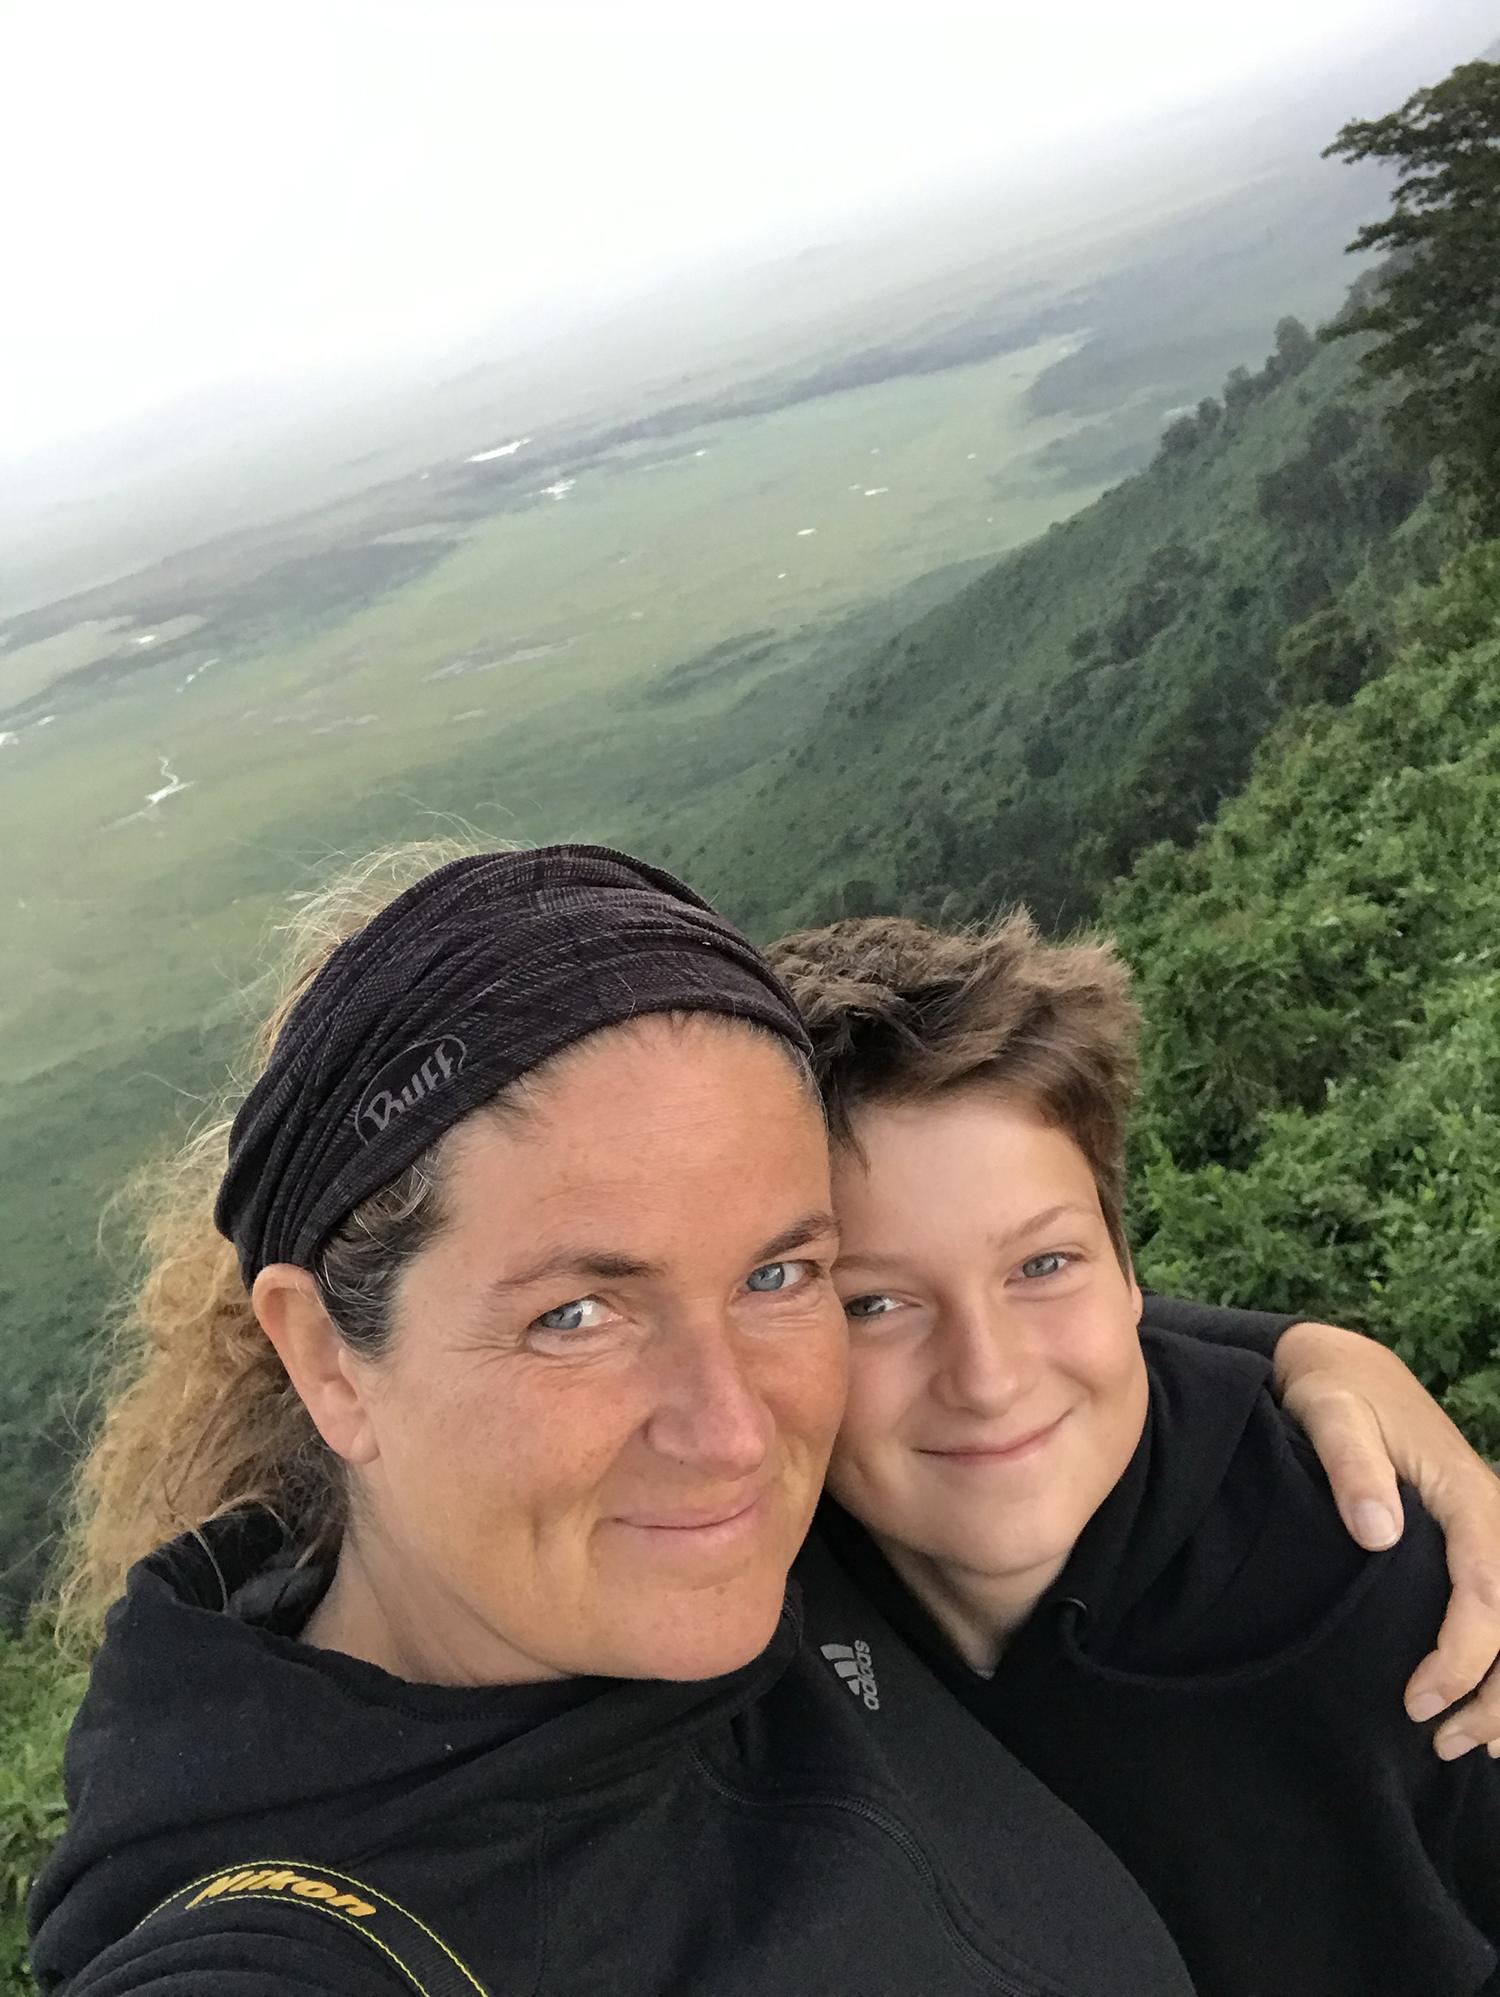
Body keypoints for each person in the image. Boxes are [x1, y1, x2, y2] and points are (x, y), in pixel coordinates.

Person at [26, 846, 1500, 1997]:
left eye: (783, 1276)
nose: (732, 1430)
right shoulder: (297, 1941)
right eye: (577, 1314)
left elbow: (1016, 1353)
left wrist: (1307, 1358)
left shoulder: (765, 1552)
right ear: (327, 1362)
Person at [769, 909, 1500, 1997]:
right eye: (875, 1301)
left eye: (1043, 1263)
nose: (989, 1374)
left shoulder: (1388, 1587)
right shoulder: (746, 1572)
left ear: (1126, 1271)